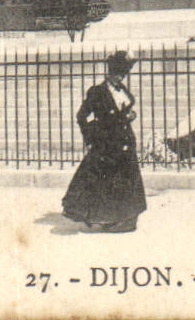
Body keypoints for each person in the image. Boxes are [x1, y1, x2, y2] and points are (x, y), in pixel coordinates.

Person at [61, 51, 147, 233]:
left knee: (127, 181)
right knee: (106, 182)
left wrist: (130, 116)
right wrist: (91, 137)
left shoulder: (122, 90)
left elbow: (124, 111)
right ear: (109, 73)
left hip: (124, 141)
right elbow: (81, 116)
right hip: (107, 144)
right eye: (117, 74)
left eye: (122, 74)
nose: (120, 78)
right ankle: (107, 217)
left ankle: (126, 218)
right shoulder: (97, 92)